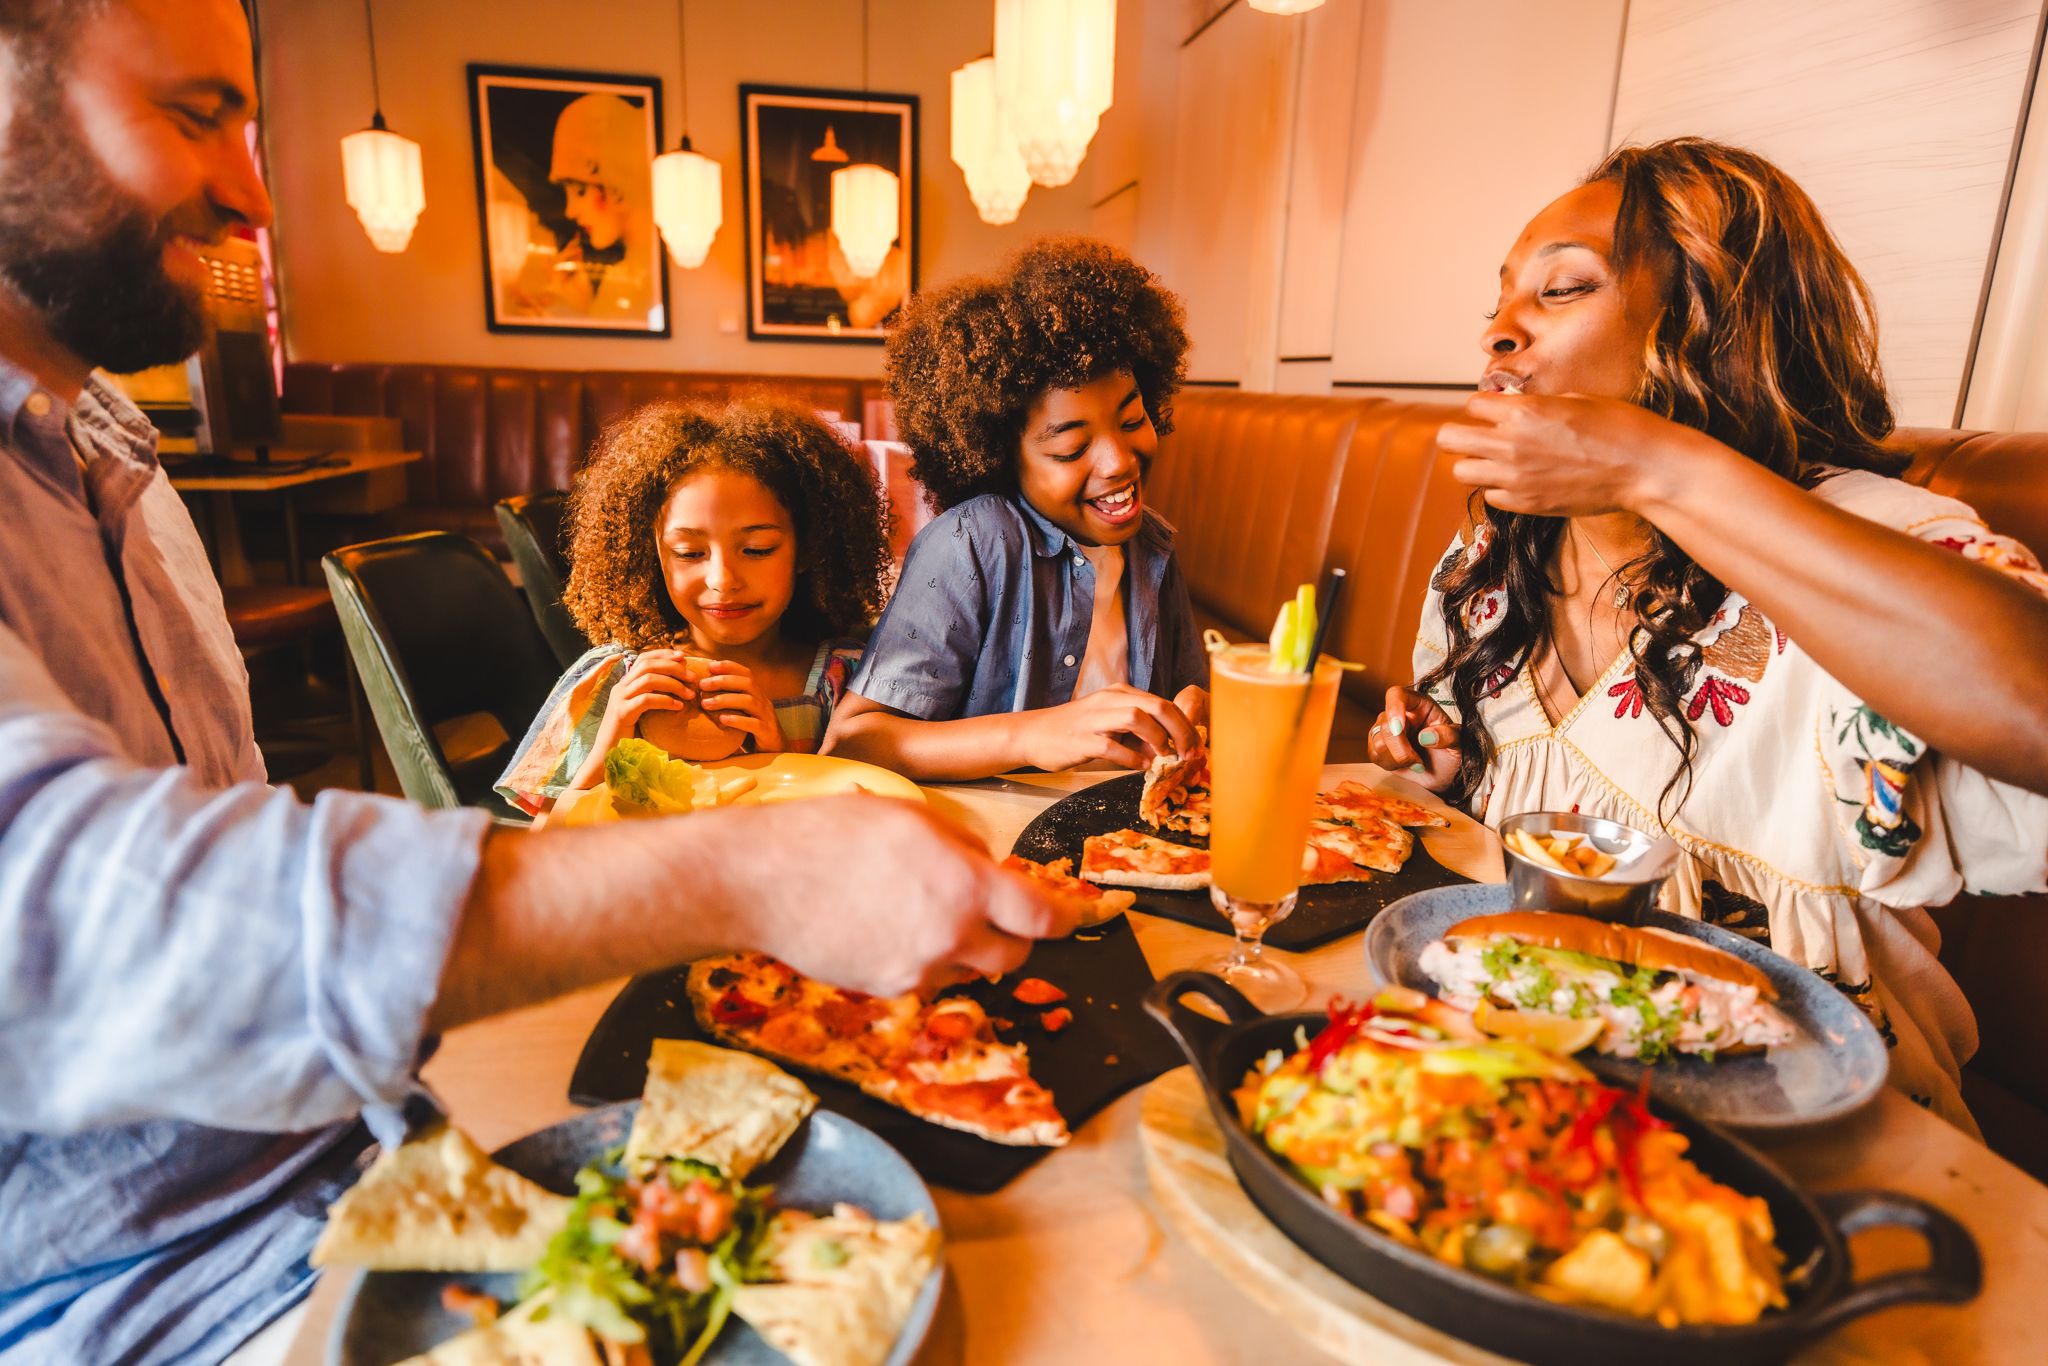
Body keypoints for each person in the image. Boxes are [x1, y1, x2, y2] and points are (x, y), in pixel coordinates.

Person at [0, 4, 1068, 1362]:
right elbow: (59, 915)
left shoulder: (116, 454)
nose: (258, 197)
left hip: (377, 1153)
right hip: (142, 1298)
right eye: (197, 114)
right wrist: (756, 864)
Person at [1366, 137, 2048, 1130]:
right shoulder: (1486, 571)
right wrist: (1450, 771)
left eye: (1559, 290)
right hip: (1533, 1098)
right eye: (1497, 303)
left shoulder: (1866, 543)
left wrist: (1662, 470)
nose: (1499, 333)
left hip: (1818, 1139)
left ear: (1710, 321)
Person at [825, 238, 1210, 781]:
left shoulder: (1152, 545)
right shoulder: (970, 544)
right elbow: (854, 742)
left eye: (1130, 421)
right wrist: (1034, 733)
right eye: (1071, 449)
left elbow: (1187, 697)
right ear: (1001, 458)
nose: (1119, 461)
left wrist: (1195, 714)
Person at [496, 400, 890, 816]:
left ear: (807, 548)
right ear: (654, 554)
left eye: (757, 550)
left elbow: (860, 822)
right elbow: (546, 842)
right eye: (688, 552)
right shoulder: (612, 683)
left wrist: (776, 754)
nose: (723, 579)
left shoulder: (847, 683)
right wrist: (608, 743)